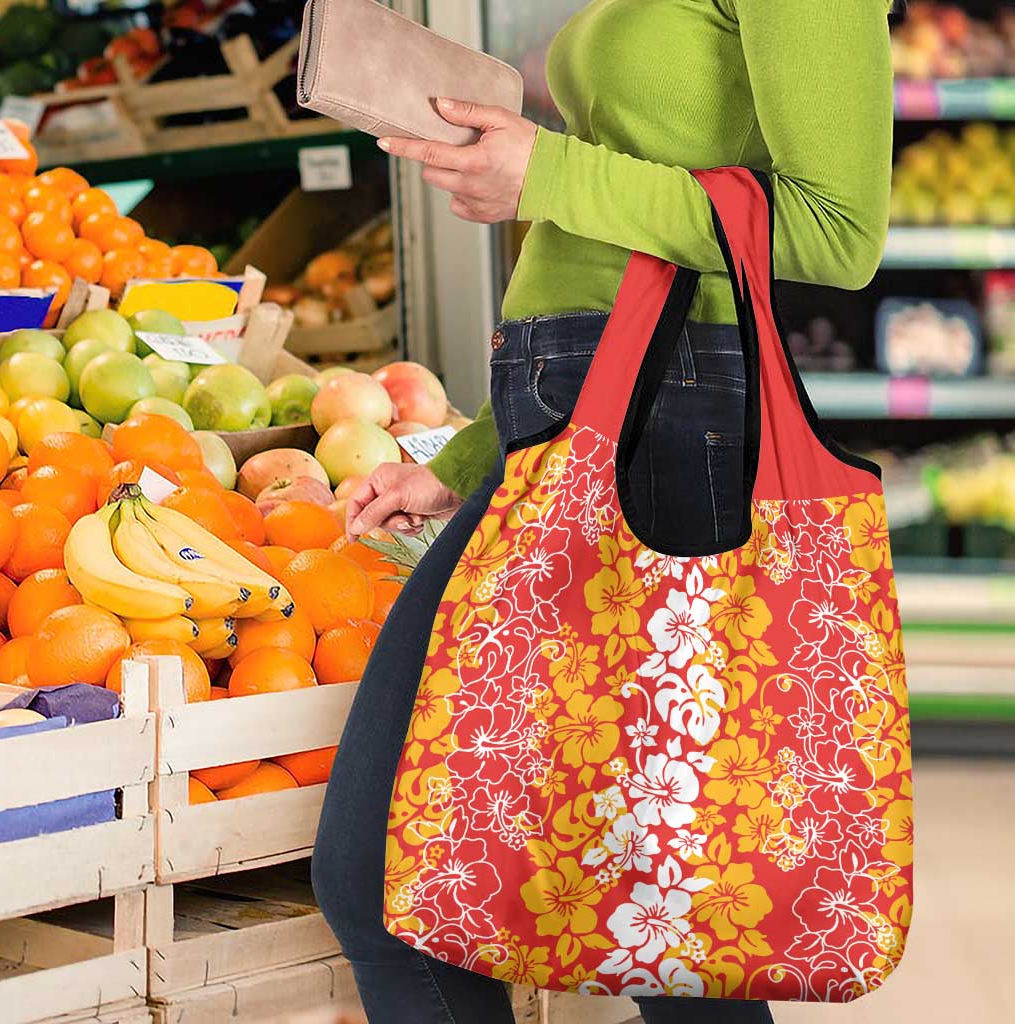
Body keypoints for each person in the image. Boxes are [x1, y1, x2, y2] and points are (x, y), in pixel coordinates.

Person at [312, 2, 896, 1022]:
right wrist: (469, 457)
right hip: (577, 429)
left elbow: (838, 230)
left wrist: (547, 173)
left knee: (662, 921)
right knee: (635, 914)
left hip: (670, 436)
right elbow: (613, 241)